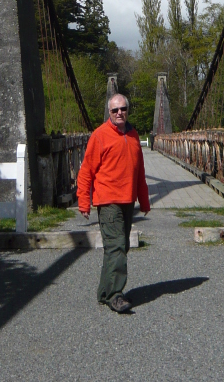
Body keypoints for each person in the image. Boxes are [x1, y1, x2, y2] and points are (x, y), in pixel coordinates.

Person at [77, 93, 150, 313]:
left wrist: (144, 201)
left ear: (128, 110)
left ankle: (104, 292)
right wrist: (84, 201)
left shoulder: (134, 135)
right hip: (108, 201)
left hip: (128, 200)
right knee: (116, 245)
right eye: (115, 110)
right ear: (109, 113)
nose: (120, 113)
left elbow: (139, 173)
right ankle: (115, 295)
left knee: (119, 246)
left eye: (123, 109)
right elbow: (86, 171)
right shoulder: (100, 136)